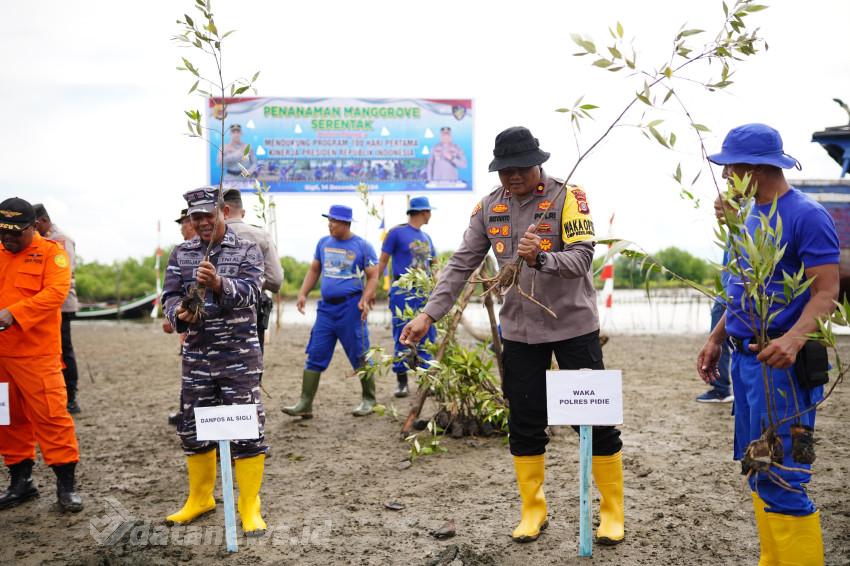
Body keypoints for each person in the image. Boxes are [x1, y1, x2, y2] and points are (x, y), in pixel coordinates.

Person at [401, 127, 625, 545]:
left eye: (519, 168)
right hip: (520, 333)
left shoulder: (567, 198)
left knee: (592, 420)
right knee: (524, 422)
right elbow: (460, 265)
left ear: (537, 162)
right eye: (504, 170)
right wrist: (428, 316)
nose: (511, 177)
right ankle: (533, 511)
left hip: (574, 326)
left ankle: (611, 513)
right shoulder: (489, 207)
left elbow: (581, 260)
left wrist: (540, 258)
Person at [697, 124, 839, 565]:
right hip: (746, 364)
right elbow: (742, 289)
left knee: (783, 473)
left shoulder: (807, 216)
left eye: (730, 169)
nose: (724, 178)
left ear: (755, 170)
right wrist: (717, 338)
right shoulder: (748, 218)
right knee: (758, 468)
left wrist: (794, 339)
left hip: (783, 364)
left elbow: (826, 292)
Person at [161, 187, 268, 536]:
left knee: (246, 428)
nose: (202, 222)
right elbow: (170, 295)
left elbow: (252, 292)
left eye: (208, 215)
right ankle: (200, 498)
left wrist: (220, 283)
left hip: (238, 355)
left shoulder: (248, 248)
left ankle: (249, 506)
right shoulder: (182, 253)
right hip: (197, 355)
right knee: (193, 428)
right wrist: (178, 313)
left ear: (223, 211)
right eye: (196, 217)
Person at [0, 197, 82, 512]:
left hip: (37, 356)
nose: (7, 238)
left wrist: (14, 313)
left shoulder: (52, 253)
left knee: (52, 418)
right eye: (2, 231)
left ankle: (66, 488)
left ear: (34, 226)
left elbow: (55, 293)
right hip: (3, 359)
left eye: (15, 232)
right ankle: (21, 483)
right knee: (7, 420)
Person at [282, 205, 379, 418]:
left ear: (346, 223)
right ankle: (305, 404)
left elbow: (373, 275)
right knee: (315, 352)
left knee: (360, 354)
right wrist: (302, 293)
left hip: (351, 309)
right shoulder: (323, 243)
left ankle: (369, 399)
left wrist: (366, 297)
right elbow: (314, 269)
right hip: (326, 309)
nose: (330, 224)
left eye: (334, 221)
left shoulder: (362, 246)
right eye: (329, 220)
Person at [373, 196, 437, 397]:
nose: (431, 215)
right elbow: (382, 262)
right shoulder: (396, 233)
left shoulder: (427, 238)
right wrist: (374, 289)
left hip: (424, 292)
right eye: (429, 211)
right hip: (403, 290)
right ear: (422, 212)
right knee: (402, 332)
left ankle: (427, 380)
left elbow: (434, 266)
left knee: (428, 334)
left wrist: (439, 289)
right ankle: (402, 381)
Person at [32, 204, 82, 414]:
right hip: (43, 304)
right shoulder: (40, 240)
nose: (32, 231)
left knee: (64, 350)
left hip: (61, 304)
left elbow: (64, 274)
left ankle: (70, 397)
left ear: (42, 221)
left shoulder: (60, 240)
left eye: (33, 226)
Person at [222, 188, 283, 353]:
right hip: (251, 313)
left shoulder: (209, 236)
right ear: (242, 212)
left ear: (222, 211)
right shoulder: (261, 236)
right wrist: (251, 284)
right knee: (250, 371)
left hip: (215, 314)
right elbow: (276, 280)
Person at [696, 195, 734, 404]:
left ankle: (720, 388)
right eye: (715, 209)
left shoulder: (741, 232)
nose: (717, 214)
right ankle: (722, 387)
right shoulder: (733, 232)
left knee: (720, 342)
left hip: (729, 297)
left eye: (720, 209)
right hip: (726, 294)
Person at [165, 208, 197, 426]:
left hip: (195, 321)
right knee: (188, 367)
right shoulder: (181, 252)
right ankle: (185, 411)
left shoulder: (200, 251)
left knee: (192, 368)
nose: (181, 228)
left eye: (183, 223)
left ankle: (187, 413)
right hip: (183, 316)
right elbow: (173, 291)